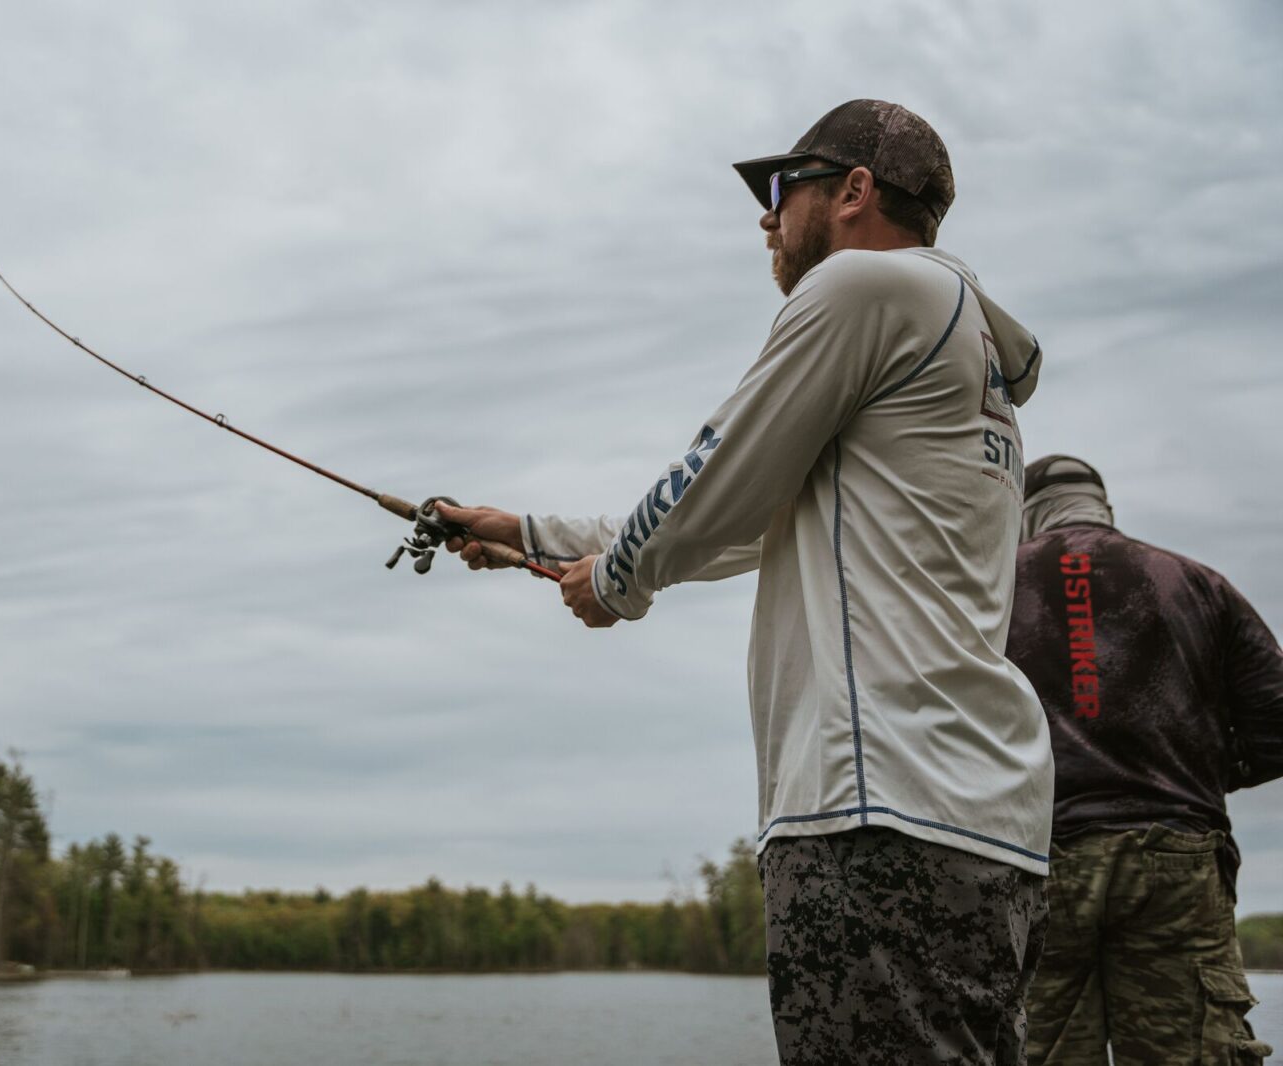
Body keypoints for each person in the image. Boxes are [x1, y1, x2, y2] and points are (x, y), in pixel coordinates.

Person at [441, 99, 1052, 1064]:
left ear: (854, 193)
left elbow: (712, 482)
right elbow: (752, 512)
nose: (766, 218)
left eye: (782, 189)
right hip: (983, 829)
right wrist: (529, 532)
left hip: (872, 810)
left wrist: (617, 584)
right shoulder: (960, 344)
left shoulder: (863, 289)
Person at [1009, 455, 1281, 1066]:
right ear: (1104, 509)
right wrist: (1196, 769)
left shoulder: (989, 586)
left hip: (1035, 863)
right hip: (1176, 862)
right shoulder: (1195, 582)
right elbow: (1278, 723)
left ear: (1025, 514)